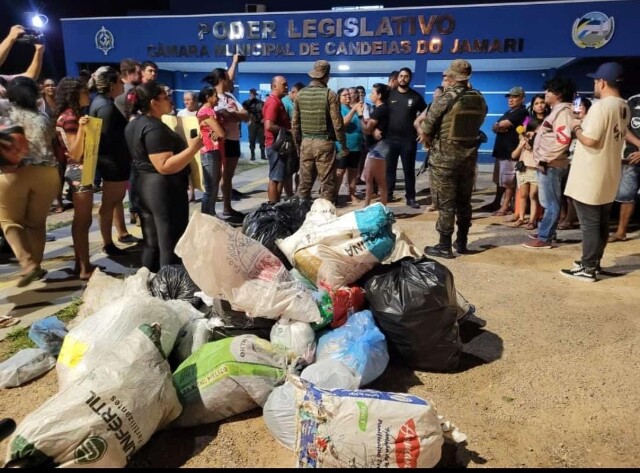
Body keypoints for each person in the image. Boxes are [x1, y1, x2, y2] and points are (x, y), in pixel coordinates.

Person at [561, 62, 630, 281]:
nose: (594, 84)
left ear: (602, 81)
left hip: (591, 174)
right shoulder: (623, 105)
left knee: (590, 224)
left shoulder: (601, 106)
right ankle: (593, 262)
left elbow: (590, 140)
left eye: (595, 80)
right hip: (609, 173)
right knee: (600, 223)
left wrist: (576, 127)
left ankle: (588, 267)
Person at [124, 81, 202, 272]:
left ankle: (149, 281)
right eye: (165, 97)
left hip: (144, 187)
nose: (169, 100)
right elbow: (164, 166)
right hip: (162, 189)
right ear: (153, 102)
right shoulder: (154, 128)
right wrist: (193, 148)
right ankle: (170, 285)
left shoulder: (135, 125)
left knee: (153, 242)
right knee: (170, 242)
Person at [419, 60, 488, 258]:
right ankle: (462, 242)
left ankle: (444, 245)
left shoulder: (445, 98)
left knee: (446, 204)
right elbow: (479, 122)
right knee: (464, 202)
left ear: (451, 78)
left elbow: (427, 126)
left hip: (444, 159)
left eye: (447, 76)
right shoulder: (479, 98)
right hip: (468, 158)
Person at [0, 77, 59, 287]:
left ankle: (28, 263)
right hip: (47, 174)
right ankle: (38, 263)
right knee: (36, 224)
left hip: (14, 173)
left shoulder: (5, 112)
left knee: (9, 220)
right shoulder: (42, 117)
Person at [88, 66, 141, 257]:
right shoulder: (105, 107)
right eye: (119, 81)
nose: (122, 85)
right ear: (111, 85)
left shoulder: (102, 103)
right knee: (109, 203)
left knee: (114, 201)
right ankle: (107, 243)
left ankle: (118, 235)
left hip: (113, 161)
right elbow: (108, 139)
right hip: (112, 162)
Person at [523, 76, 575, 250]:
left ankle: (545, 238)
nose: (546, 93)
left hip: (551, 164)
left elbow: (562, 140)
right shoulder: (557, 111)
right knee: (547, 201)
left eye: (549, 90)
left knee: (551, 202)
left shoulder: (562, 113)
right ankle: (546, 232)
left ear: (558, 93)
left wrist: (545, 159)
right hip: (548, 163)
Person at [55, 77, 98, 280]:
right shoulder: (71, 118)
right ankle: (84, 267)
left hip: (78, 170)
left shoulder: (69, 115)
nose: (88, 95)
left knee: (81, 221)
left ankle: (80, 263)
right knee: (83, 221)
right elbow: (74, 151)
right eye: (84, 91)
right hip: (78, 171)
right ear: (74, 94)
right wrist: (82, 128)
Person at [291, 60, 348, 202]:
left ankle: (301, 214)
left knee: (304, 183)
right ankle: (325, 217)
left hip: (306, 143)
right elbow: (338, 124)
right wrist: (343, 144)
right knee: (327, 184)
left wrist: (298, 145)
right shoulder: (330, 95)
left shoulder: (300, 94)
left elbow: (295, 125)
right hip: (324, 144)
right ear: (327, 75)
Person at [202, 67, 248, 218]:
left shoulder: (230, 96)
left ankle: (227, 208)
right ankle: (212, 212)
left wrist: (232, 114)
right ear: (222, 79)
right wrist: (232, 116)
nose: (231, 80)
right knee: (218, 178)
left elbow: (245, 116)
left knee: (228, 176)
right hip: (222, 141)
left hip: (234, 139)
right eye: (228, 78)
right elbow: (217, 118)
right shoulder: (212, 97)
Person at [385, 67, 427, 208]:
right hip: (390, 139)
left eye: (406, 76)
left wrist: (422, 131)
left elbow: (426, 113)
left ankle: (411, 198)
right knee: (389, 169)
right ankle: (388, 195)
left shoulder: (415, 97)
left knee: (408, 170)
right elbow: (381, 113)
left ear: (410, 78)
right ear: (397, 78)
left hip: (408, 140)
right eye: (401, 76)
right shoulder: (389, 95)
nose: (403, 78)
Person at [487, 86, 529, 215]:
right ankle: (497, 202)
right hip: (502, 151)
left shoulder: (522, 112)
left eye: (514, 97)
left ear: (522, 98)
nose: (511, 100)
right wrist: (498, 126)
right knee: (500, 181)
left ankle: (505, 207)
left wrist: (499, 126)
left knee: (508, 182)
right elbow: (495, 126)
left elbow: (502, 125)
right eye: (509, 97)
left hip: (511, 153)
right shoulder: (509, 112)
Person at [608, 92, 640, 242]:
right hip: (632, 156)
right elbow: (622, 127)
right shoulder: (632, 101)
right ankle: (621, 232)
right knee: (626, 195)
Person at [415, 83, 447, 212]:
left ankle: (445, 202)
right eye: (434, 95)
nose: (436, 98)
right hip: (432, 146)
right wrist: (423, 134)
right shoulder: (430, 107)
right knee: (433, 176)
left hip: (445, 147)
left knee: (444, 176)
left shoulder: (447, 108)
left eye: (439, 96)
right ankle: (435, 202)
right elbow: (417, 121)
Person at [263, 75, 293, 203]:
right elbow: (269, 125)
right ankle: (272, 207)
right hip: (275, 145)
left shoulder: (277, 101)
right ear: (275, 86)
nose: (287, 87)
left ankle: (276, 205)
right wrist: (287, 131)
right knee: (275, 178)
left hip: (280, 146)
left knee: (280, 177)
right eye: (284, 84)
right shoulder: (273, 102)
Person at [196, 85, 226, 216]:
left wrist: (219, 131)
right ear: (208, 97)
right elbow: (221, 132)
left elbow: (220, 131)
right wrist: (219, 131)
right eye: (215, 96)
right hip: (209, 151)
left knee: (213, 186)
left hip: (213, 150)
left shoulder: (210, 112)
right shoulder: (206, 112)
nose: (217, 98)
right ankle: (206, 216)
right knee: (210, 187)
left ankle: (211, 214)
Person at [360, 83, 390, 207]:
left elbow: (366, 129)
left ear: (379, 95)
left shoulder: (381, 109)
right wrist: (372, 129)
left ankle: (382, 208)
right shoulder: (379, 109)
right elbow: (371, 128)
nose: (371, 95)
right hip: (375, 147)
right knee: (368, 177)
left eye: (373, 93)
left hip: (380, 147)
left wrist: (360, 115)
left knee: (380, 180)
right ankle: (366, 205)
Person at [511, 117, 541, 229]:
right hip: (523, 169)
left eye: (536, 132)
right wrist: (521, 145)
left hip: (535, 170)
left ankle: (533, 220)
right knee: (523, 195)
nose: (533, 134)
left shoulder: (541, 142)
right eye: (531, 131)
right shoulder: (523, 139)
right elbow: (513, 155)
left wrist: (533, 147)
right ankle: (521, 218)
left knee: (533, 195)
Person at [335, 87, 363, 204]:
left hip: (356, 147)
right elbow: (343, 123)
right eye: (344, 95)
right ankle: (334, 195)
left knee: (353, 171)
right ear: (339, 98)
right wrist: (353, 110)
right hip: (343, 147)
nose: (348, 97)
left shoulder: (354, 108)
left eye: (348, 95)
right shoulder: (338, 109)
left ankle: (351, 194)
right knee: (340, 172)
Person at [242, 88, 266, 161]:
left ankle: (263, 155)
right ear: (249, 94)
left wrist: (264, 119)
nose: (253, 95)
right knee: (251, 139)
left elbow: (265, 112)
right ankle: (252, 155)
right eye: (251, 94)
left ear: (256, 94)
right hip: (252, 124)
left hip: (260, 124)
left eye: (254, 94)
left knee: (262, 140)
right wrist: (247, 120)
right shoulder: (246, 102)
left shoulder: (261, 102)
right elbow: (243, 112)